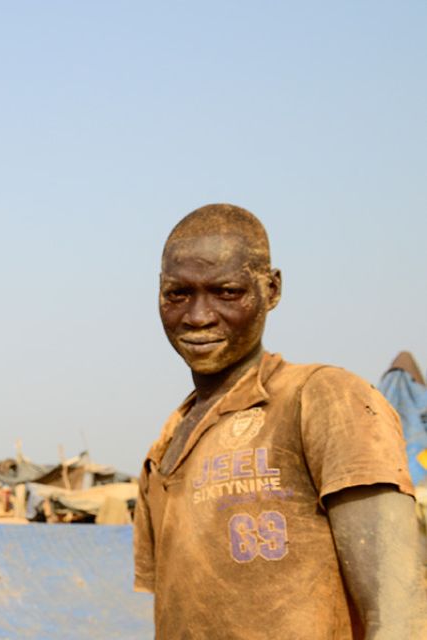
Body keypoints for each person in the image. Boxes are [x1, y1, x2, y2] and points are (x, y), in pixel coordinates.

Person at [134, 203, 426, 639]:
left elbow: (401, 614)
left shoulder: (322, 399)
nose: (198, 315)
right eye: (179, 293)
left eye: (227, 292)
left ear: (271, 289)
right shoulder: (167, 444)